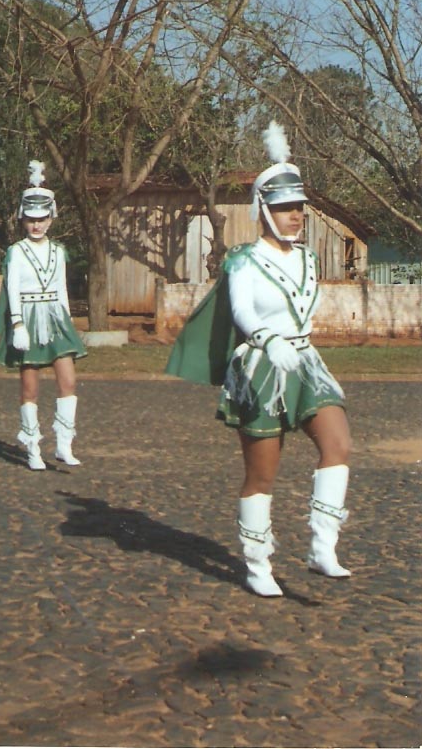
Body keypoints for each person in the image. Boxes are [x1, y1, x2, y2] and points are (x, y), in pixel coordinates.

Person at [167, 121, 352, 598]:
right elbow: (245, 310)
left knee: (338, 445)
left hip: (305, 360)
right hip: (263, 365)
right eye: (285, 208)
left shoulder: (309, 259)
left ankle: (322, 547)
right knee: (261, 474)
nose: (295, 216)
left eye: (299, 208)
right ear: (264, 211)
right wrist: (268, 339)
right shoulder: (244, 260)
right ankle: (256, 562)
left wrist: (295, 340)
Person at [0, 161, 87, 469]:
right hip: (29, 317)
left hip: (55, 317)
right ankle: (33, 445)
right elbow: (13, 290)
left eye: (42, 218)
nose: (36, 225)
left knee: (68, 380)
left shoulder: (58, 251)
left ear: (51, 217)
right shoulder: (17, 252)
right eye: (31, 219)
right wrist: (17, 323)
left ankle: (64, 441)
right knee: (30, 387)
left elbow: (61, 288)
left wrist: (68, 323)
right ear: (23, 218)